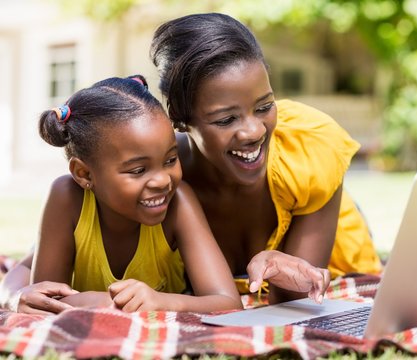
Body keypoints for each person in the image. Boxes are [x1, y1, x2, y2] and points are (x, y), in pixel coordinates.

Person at [149, 13, 381, 304]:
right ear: (180, 119)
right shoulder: (157, 180)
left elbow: (297, 300)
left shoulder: (307, 147)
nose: (254, 131)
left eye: (264, 106)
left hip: (337, 249)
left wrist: (279, 264)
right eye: (226, 119)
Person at [1, 75, 244, 314]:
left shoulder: (179, 202)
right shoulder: (66, 198)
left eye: (171, 159)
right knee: (24, 267)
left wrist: (159, 301)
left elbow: (227, 302)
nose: (162, 180)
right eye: (138, 170)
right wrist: (13, 295)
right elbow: (45, 299)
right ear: (84, 174)